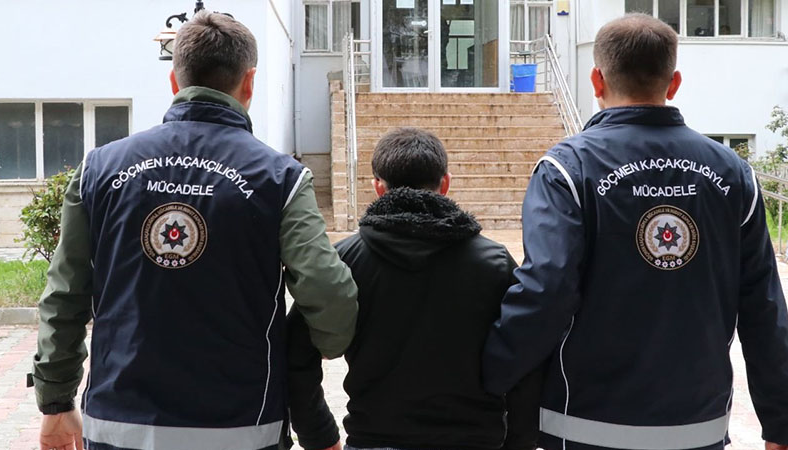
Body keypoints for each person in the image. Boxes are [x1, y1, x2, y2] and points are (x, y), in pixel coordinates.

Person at [29, 12, 358, 450]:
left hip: (119, 426)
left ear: (174, 82)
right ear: (249, 83)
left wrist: (55, 401)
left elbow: (65, 293)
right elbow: (327, 295)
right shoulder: (280, 178)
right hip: (242, 427)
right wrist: (329, 343)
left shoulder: (99, 170)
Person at [482, 13, 788, 450]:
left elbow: (547, 288)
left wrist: (490, 374)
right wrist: (780, 422)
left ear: (596, 80)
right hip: (697, 430)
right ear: (674, 83)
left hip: (583, 427)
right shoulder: (733, 174)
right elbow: (764, 306)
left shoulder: (567, 170)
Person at [286, 127, 543, 450]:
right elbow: (526, 353)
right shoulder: (494, 262)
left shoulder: (344, 261)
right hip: (475, 439)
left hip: (373, 439)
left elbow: (296, 353)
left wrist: (319, 435)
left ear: (378, 187)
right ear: (445, 184)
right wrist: (519, 440)